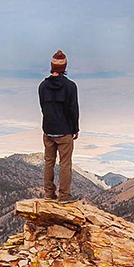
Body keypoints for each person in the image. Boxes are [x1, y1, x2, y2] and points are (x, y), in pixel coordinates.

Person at [39, 49, 80, 201]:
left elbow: (43, 107)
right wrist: (75, 129)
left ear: (52, 66)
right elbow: (73, 109)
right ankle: (64, 195)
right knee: (65, 163)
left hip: (48, 130)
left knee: (49, 162)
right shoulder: (70, 86)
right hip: (64, 131)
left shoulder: (43, 86)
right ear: (64, 67)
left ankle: (49, 194)